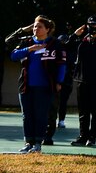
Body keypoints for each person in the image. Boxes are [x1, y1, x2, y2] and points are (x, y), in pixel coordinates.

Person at [8, 17, 66, 153]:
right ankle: (28, 142)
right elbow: (13, 55)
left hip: (45, 86)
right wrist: (29, 49)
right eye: (34, 26)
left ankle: (38, 143)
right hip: (26, 85)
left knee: (41, 115)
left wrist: (59, 81)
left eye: (39, 27)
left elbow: (62, 65)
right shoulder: (27, 42)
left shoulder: (55, 44)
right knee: (27, 115)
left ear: (47, 29)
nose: (36, 29)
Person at [66, 17, 96, 147]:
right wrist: (75, 35)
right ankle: (83, 136)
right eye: (89, 24)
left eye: (94, 24)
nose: (91, 27)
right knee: (83, 112)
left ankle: (92, 137)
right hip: (82, 80)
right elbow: (67, 46)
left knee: (95, 111)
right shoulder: (83, 41)